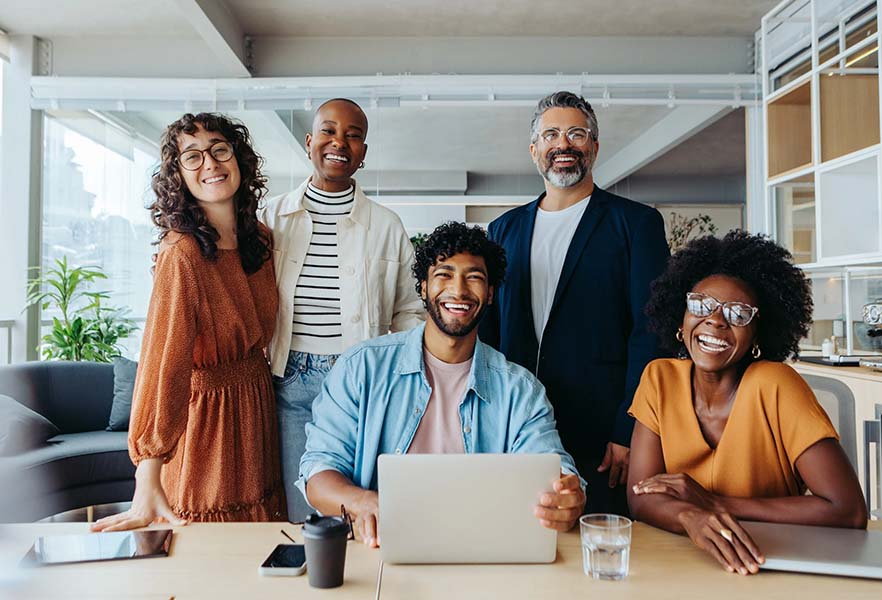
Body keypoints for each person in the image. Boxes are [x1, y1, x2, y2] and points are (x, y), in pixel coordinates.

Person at [300, 222, 585, 546]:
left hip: (483, 550)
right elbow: (318, 473)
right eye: (444, 274)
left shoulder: (520, 390)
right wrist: (364, 503)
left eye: (474, 277)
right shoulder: (361, 368)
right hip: (379, 548)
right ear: (423, 287)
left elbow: (552, 465)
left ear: (490, 293)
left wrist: (566, 495)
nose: (459, 290)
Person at [627, 230, 867, 575]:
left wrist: (713, 503)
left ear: (756, 335)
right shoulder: (659, 379)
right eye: (701, 305)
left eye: (738, 314)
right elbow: (641, 496)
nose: (715, 320)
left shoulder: (776, 385)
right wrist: (690, 516)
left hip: (771, 561)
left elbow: (848, 510)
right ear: (681, 319)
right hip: (683, 561)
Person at [92, 113, 285, 531]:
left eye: (219, 150)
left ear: (238, 159)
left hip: (256, 408)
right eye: (192, 157)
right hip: (208, 422)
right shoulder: (182, 254)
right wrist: (149, 471)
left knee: (259, 540)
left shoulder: (261, 240)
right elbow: (164, 363)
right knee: (210, 539)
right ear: (178, 175)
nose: (210, 164)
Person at [479, 91, 669, 514]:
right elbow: (488, 335)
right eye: (551, 135)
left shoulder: (636, 224)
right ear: (534, 150)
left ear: (594, 147)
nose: (563, 144)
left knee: (598, 536)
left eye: (576, 134)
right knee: (522, 531)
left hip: (602, 433)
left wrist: (629, 429)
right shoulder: (502, 230)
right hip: (517, 426)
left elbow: (652, 334)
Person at [259, 98, 424, 520]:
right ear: (309, 141)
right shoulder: (272, 216)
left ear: (363, 152)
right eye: (329, 131)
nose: (339, 142)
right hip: (289, 380)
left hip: (362, 379)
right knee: (305, 509)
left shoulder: (386, 225)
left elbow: (410, 310)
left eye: (353, 136)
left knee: (362, 502)